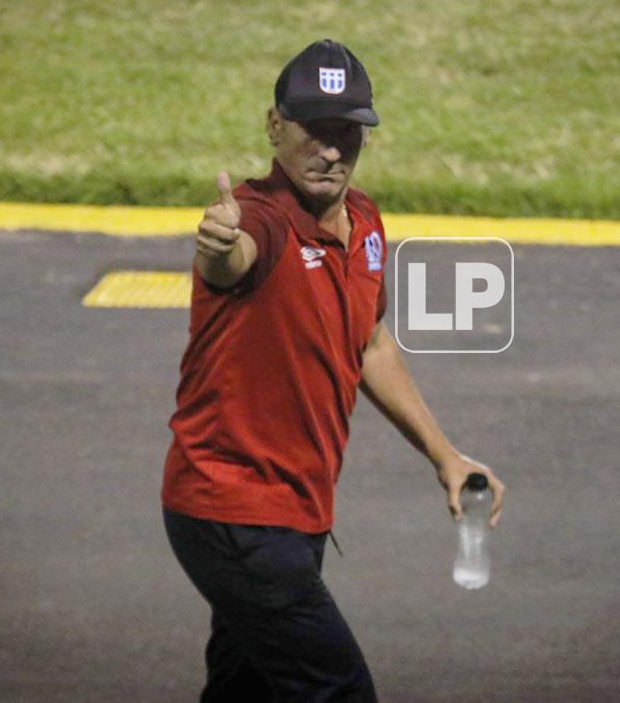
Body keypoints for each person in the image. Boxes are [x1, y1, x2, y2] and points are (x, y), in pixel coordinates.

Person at [161, 39, 506, 702]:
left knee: (246, 689)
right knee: (339, 690)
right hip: (236, 510)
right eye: (315, 131)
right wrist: (216, 246)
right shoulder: (262, 220)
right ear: (274, 126)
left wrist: (445, 454)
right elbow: (230, 262)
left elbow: (370, 344)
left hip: (291, 511)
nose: (330, 151)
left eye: (346, 133)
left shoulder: (367, 223)